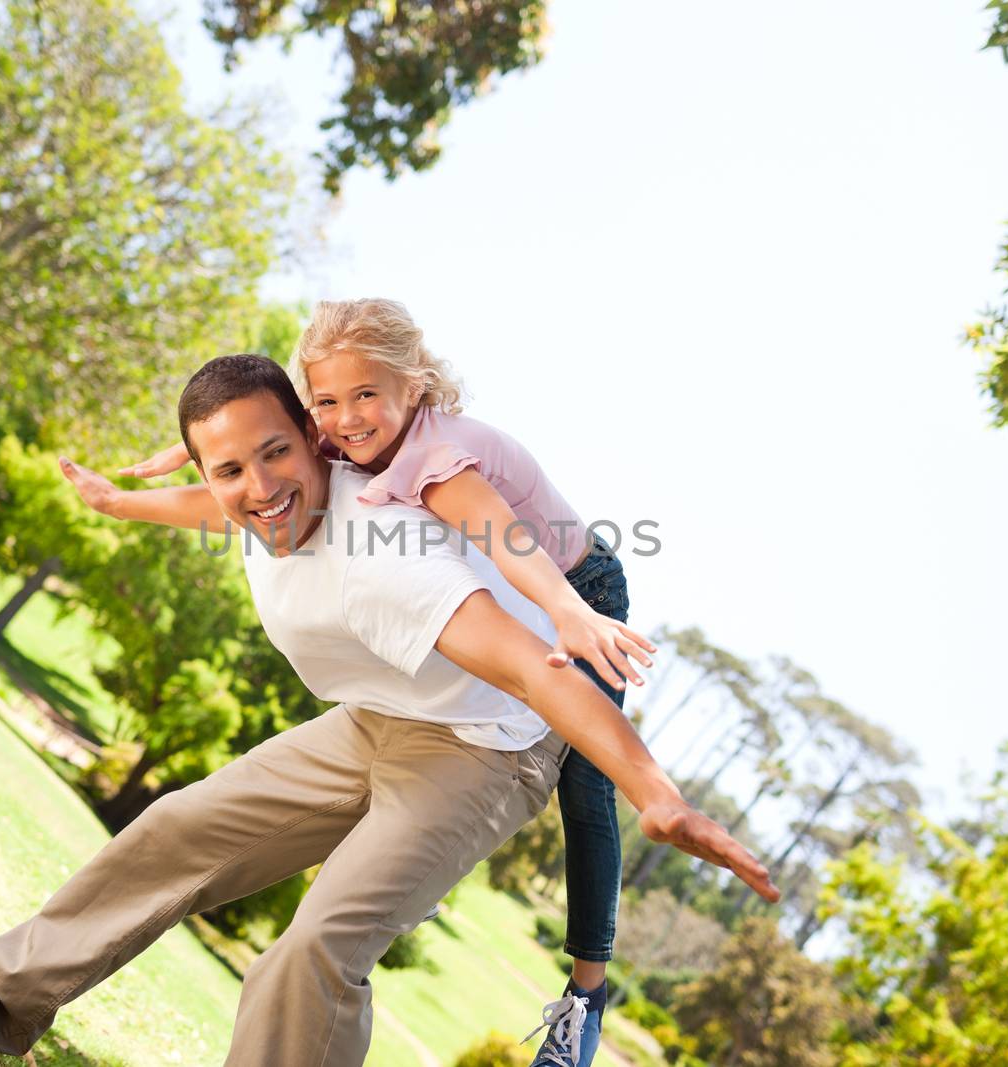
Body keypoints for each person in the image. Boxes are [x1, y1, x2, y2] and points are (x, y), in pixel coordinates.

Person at [0, 354, 777, 1067]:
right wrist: (121, 502)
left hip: (485, 749)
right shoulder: (257, 500)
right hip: (378, 718)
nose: (258, 488)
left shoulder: (384, 548)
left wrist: (652, 790)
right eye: (228, 469)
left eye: (275, 453)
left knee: (312, 952)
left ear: (315, 440)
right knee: (177, 829)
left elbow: (538, 671)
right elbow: (227, 502)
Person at [119, 300, 650, 1065]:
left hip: (577, 587)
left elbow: (512, 552)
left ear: (415, 384)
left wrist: (570, 612)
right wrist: (185, 457)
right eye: (326, 402)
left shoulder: (443, 458)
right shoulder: (333, 434)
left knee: (587, 786)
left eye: (364, 396)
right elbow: (246, 467)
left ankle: (585, 997)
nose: (343, 417)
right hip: (518, 616)